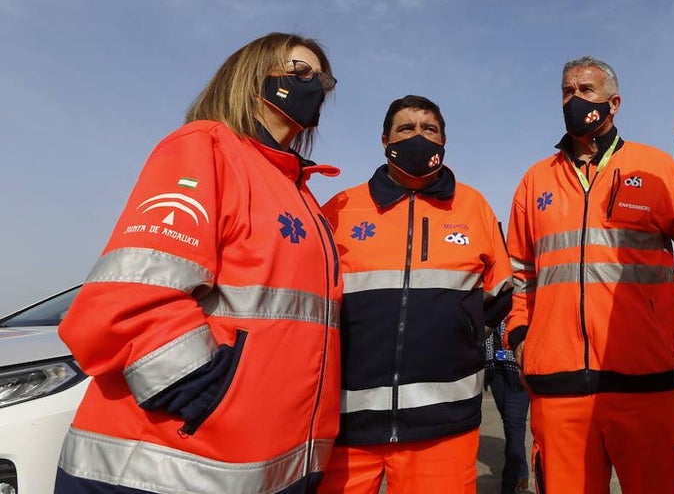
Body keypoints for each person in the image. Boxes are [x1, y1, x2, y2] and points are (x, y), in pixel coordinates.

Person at [55, 32, 342, 494]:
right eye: (300, 70)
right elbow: (129, 297)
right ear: (252, 75)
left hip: (270, 465)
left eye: (323, 80)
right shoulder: (205, 147)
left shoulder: (300, 192)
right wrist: (207, 397)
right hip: (172, 465)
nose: (316, 86)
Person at [505, 57, 674, 494]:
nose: (575, 99)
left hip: (644, 379)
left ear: (613, 103)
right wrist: (521, 337)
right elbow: (519, 272)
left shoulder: (656, 168)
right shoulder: (535, 180)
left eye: (586, 90)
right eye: (567, 91)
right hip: (557, 386)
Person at [319, 95, 513, 494]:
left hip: (445, 425)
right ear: (384, 140)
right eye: (406, 128)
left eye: (429, 129)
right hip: (347, 424)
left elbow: (501, 294)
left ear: (444, 141)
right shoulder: (340, 209)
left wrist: (460, 333)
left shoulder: (474, 207)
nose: (418, 137)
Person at [484, 317, 531, 493]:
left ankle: (511, 481)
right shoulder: (492, 301)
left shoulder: (521, 303)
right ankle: (522, 471)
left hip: (517, 367)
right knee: (509, 422)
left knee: (514, 423)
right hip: (494, 367)